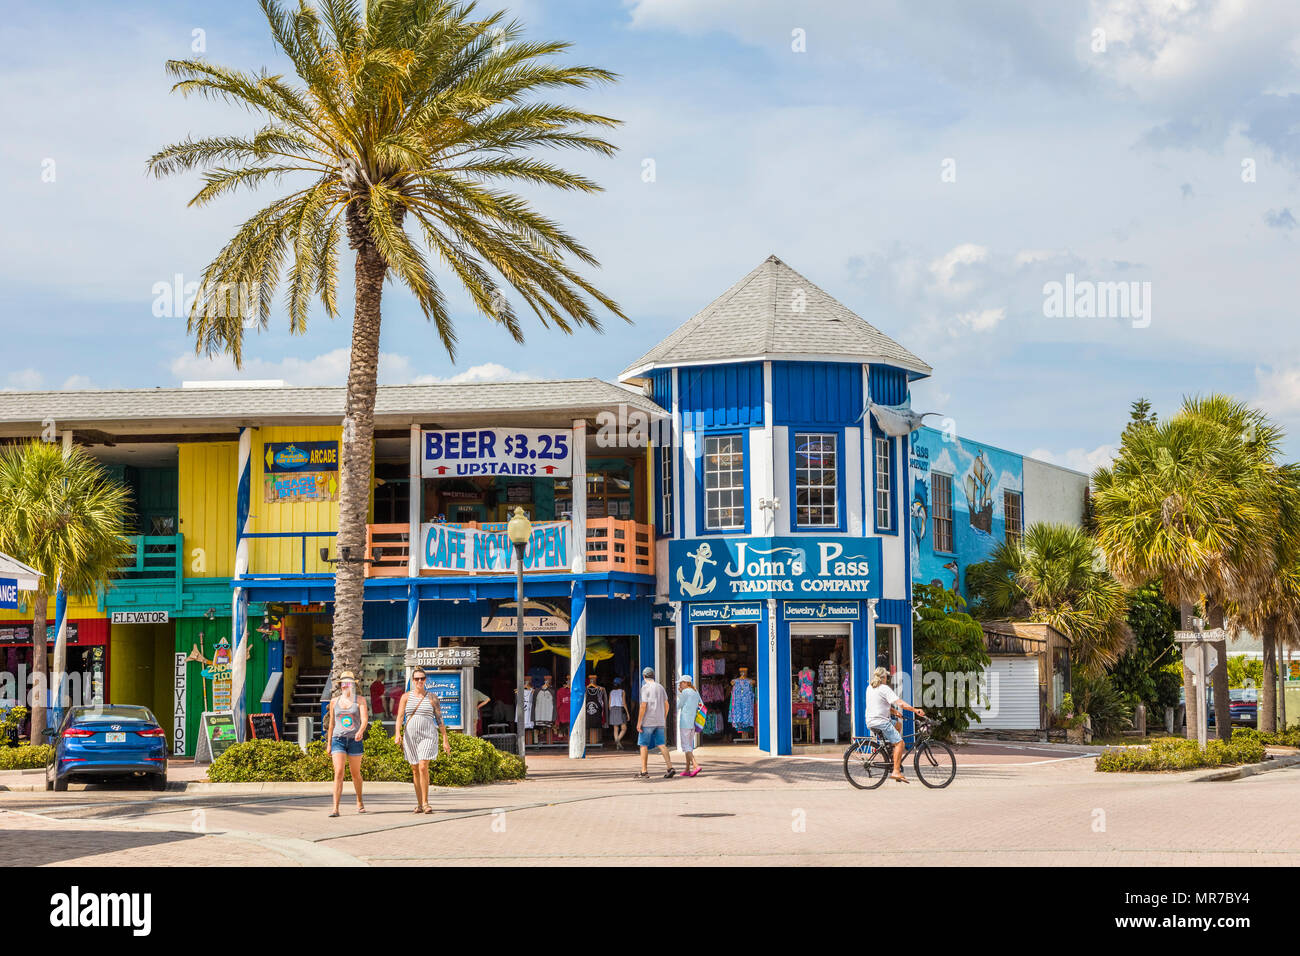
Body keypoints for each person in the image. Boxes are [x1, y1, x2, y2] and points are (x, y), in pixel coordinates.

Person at [395, 668, 451, 813]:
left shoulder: (432, 698)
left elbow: (439, 719)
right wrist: (397, 734)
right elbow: (400, 717)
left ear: (425, 680)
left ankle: (426, 803)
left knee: (423, 766)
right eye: (416, 679)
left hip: (428, 735)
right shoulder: (405, 697)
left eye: (422, 678)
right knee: (414, 769)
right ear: (412, 681)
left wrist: (445, 739)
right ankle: (419, 804)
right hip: (410, 736)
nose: (419, 681)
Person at [865, 665, 925, 783]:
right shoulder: (884, 688)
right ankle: (896, 771)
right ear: (883, 677)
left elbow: (879, 704)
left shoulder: (870, 688)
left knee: (897, 725)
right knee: (900, 743)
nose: (887, 679)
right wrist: (915, 710)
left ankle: (891, 752)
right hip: (881, 722)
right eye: (887, 677)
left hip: (871, 721)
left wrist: (894, 711)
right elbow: (900, 703)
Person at [325, 671, 368, 817]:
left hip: (355, 740)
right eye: (343, 683)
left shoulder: (360, 700)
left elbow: (364, 720)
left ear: (353, 685)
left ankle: (359, 801)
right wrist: (329, 744)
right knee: (338, 772)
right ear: (340, 685)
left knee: (355, 774)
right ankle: (335, 808)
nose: (345, 686)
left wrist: (360, 731)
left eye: (348, 683)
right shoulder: (334, 701)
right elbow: (331, 724)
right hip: (338, 739)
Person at [635, 666, 674, 779]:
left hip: (648, 721)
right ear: (653, 676)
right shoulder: (660, 687)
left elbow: (643, 706)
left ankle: (644, 771)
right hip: (659, 721)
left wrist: (639, 722)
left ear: (644, 676)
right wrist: (663, 717)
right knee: (662, 744)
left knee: (643, 745)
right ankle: (670, 768)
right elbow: (667, 704)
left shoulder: (645, 688)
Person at [677, 675, 703, 778]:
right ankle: (687, 769)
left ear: (685, 683)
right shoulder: (695, 691)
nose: (680, 685)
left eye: (681, 683)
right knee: (689, 746)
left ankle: (695, 765)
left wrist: (680, 694)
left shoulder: (685, 692)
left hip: (685, 722)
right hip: (693, 722)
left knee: (686, 746)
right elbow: (701, 704)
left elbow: (678, 705)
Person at [608, 677, 629, 750]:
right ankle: (617, 740)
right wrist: (627, 713)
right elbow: (624, 703)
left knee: (615, 728)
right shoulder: (622, 691)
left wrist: (612, 710)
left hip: (613, 709)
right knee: (624, 728)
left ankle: (617, 744)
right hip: (620, 709)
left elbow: (609, 704)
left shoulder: (611, 692)